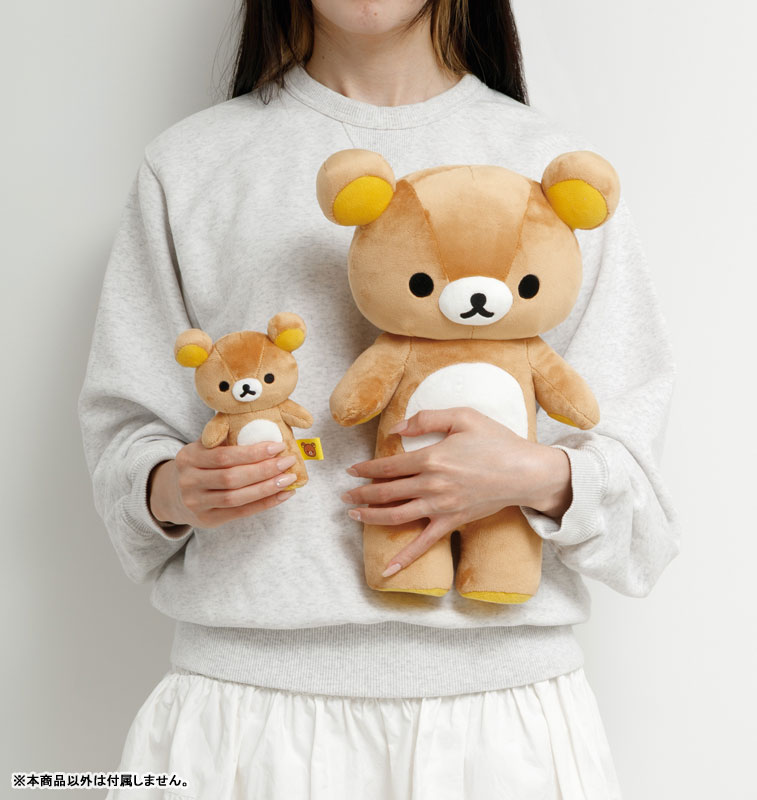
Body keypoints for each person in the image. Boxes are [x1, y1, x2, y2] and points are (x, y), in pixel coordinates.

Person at [77, 1, 679, 797]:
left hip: (499, 725)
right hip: (245, 716)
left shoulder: (557, 172)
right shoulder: (190, 163)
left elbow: (641, 517)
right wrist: (171, 489)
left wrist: (535, 477)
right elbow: (125, 435)